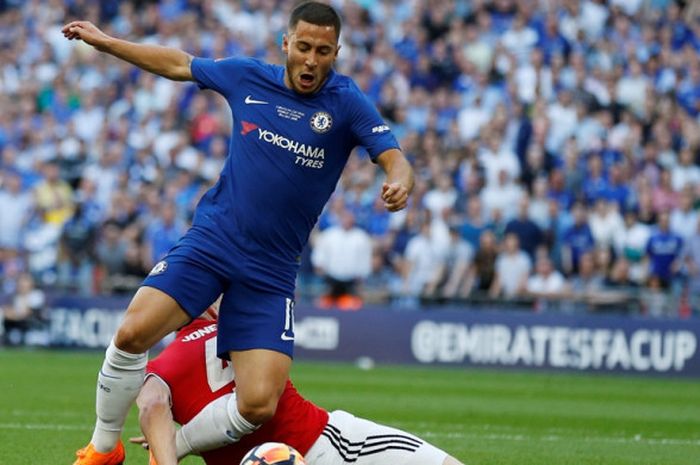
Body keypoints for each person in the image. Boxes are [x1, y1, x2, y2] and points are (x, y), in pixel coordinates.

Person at [62, 3, 414, 464]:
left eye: (323, 51)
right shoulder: (248, 77)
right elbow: (178, 63)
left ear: (336, 52)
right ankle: (103, 449)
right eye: (304, 47)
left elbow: (392, 154)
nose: (311, 60)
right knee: (131, 334)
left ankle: (174, 447)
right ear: (286, 44)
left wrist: (400, 180)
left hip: (271, 268)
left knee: (258, 403)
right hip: (214, 242)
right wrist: (106, 42)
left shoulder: (346, 102)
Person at [129, 308, 463, 465]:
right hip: (324, 445)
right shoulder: (245, 325)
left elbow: (151, 406)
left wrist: (170, 448)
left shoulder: (161, 369)